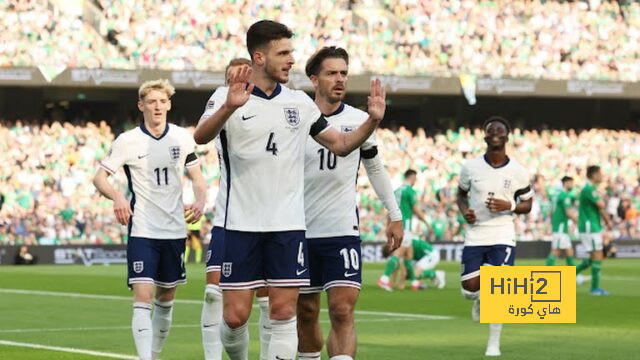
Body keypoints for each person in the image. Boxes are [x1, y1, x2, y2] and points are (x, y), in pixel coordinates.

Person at [193, 20, 386, 360]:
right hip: (239, 223)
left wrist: (371, 121)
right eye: (282, 53)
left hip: (288, 226)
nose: (290, 60)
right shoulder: (227, 96)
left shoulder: (299, 102)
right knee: (235, 317)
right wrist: (228, 108)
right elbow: (200, 137)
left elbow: (340, 144)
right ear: (259, 57)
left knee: (284, 314)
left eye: (291, 52)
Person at [296, 46, 403, 360]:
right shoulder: (298, 117)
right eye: (331, 73)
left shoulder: (359, 119)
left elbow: (374, 167)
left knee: (342, 310)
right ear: (314, 79)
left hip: (341, 229)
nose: (339, 79)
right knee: (305, 311)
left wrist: (394, 214)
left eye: (344, 73)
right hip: (298, 229)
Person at [93, 79, 206, 360]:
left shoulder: (182, 137)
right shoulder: (127, 140)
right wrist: (118, 198)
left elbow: (198, 178)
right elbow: (99, 178)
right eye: (152, 102)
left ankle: (153, 354)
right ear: (141, 106)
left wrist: (201, 200)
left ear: (169, 105)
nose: (157, 106)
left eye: (162, 101)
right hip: (143, 228)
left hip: (174, 230)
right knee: (142, 298)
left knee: (166, 299)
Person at [200, 57, 272, 360]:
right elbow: (202, 133)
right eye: (232, 76)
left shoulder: (271, 107)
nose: (237, 80)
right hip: (230, 216)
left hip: (272, 216)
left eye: (244, 75)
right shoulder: (221, 100)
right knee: (214, 292)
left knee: (271, 300)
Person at [456, 116, 533, 357]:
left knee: (499, 291)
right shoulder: (470, 167)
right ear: (485, 137)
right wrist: (464, 212)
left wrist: (508, 205)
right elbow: (460, 194)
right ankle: (479, 299)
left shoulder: (518, 171)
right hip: (476, 234)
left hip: (503, 234)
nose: (496, 135)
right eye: (491, 131)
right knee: (469, 289)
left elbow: (528, 204)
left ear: (507, 136)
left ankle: (493, 345)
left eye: (500, 131)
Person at [378, 169, 430, 291]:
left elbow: (389, 211)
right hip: (404, 225)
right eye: (415, 179)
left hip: (396, 223)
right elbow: (416, 210)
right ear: (412, 177)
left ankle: (413, 282)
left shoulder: (396, 191)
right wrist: (427, 223)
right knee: (401, 252)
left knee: (409, 254)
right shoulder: (409, 191)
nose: (415, 181)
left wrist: (388, 226)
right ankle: (384, 279)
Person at [575, 165, 614, 295]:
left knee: (593, 258)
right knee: (597, 256)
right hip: (589, 227)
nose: (602, 176)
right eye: (600, 173)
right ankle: (595, 289)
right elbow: (601, 205)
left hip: (592, 226)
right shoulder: (589, 189)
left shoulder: (591, 189)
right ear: (593, 175)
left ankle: (569, 276)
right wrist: (608, 221)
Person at [381, 238, 445, 290]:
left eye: (390, 255)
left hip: (430, 255)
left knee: (413, 275)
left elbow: (403, 270)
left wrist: (400, 284)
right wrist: (392, 283)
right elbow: (396, 267)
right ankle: (431, 276)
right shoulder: (398, 243)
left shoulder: (400, 247)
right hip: (423, 257)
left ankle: (437, 274)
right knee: (410, 274)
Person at [546, 176, 578, 267]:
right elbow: (568, 212)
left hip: (559, 226)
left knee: (569, 251)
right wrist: (577, 221)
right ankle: (544, 274)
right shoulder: (564, 195)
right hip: (560, 226)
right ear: (566, 183)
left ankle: (574, 276)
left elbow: (550, 212)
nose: (572, 185)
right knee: (556, 251)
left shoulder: (555, 196)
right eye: (571, 183)